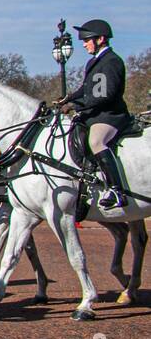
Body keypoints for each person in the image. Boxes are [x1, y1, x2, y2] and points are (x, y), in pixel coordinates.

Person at [55, 18, 130, 209]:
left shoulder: (112, 61)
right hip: (96, 113)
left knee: (96, 141)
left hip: (110, 115)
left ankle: (116, 190)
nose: (84, 43)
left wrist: (76, 106)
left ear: (101, 39)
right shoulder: (93, 62)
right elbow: (86, 89)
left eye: (87, 39)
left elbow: (105, 95)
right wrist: (67, 99)